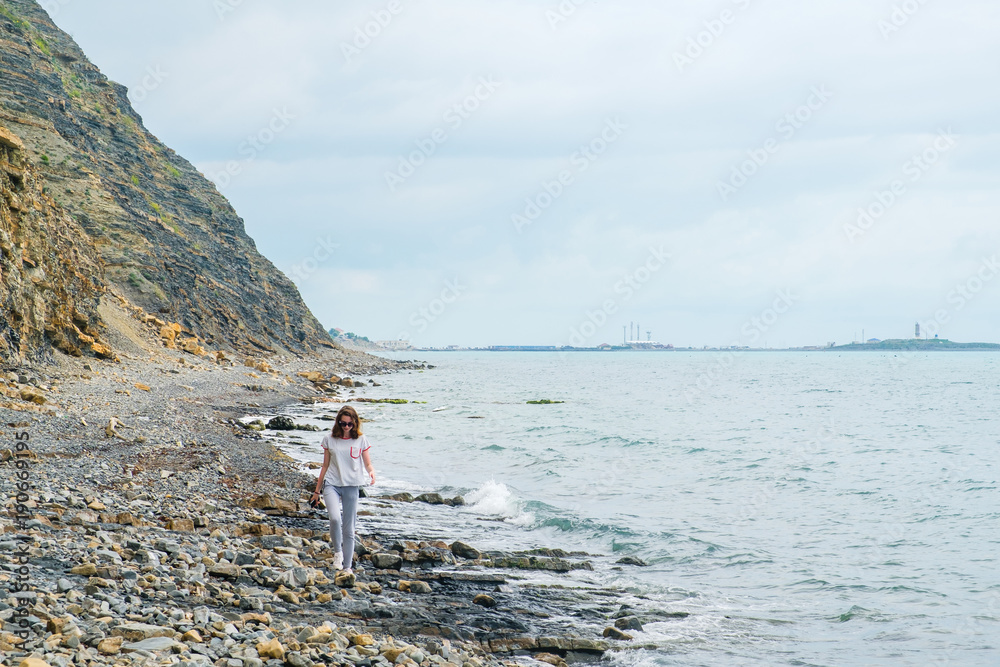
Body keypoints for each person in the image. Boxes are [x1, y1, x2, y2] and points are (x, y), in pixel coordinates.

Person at [311, 405, 375, 572]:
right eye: (343, 423)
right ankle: (338, 552)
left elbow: (367, 463)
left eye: (349, 424)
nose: (346, 427)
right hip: (332, 483)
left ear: (355, 423)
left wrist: (371, 472)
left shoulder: (361, 439)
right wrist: (317, 491)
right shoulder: (329, 439)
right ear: (338, 423)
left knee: (349, 529)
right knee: (334, 518)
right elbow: (325, 466)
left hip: (351, 486)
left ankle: (347, 567)